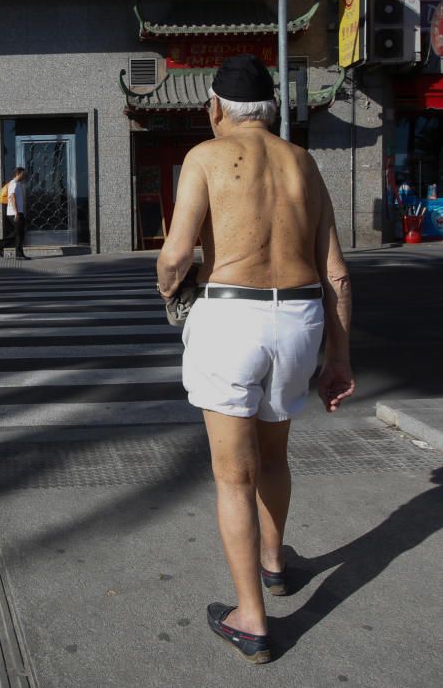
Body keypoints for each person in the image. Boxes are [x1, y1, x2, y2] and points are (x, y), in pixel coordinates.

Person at [156, 54, 354, 664]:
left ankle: (252, 618)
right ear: (270, 111)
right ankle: (275, 563)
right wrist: (339, 358)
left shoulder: (205, 157)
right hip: (298, 319)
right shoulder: (304, 163)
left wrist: (169, 289)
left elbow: (176, 255)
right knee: (274, 454)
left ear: (215, 108)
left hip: (230, 315)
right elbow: (337, 274)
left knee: (232, 475)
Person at [0, 167, 29, 260]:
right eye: (23, 174)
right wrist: (16, 213)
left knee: (19, 233)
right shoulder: (13, 184)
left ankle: (2, 245)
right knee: (19, 233)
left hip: (17, 212)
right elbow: (12, 198)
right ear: (18, 173)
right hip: (14, 213)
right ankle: (15, 252)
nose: (24, 175)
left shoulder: (18, 184)